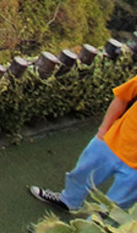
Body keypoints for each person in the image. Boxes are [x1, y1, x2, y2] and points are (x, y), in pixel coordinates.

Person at [31, 74, 137, 210]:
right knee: (81, 173)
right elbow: (122, 98)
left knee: (116, 208)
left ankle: (96, 227)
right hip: (111, 142)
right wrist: (103, 130)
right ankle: (68, 201)